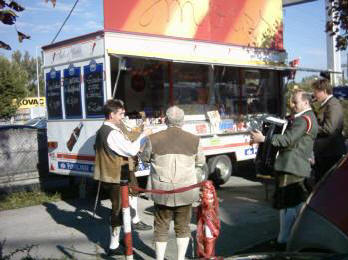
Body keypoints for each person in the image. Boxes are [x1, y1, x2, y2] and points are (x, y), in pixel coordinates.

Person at [251, 90, 318, 248]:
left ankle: (284, 240)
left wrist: (263, 138)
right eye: (292, 102)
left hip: (291, 166)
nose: (292, 105)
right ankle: (295, 236)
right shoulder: (308, 118)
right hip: (296, 166)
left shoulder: (303, 119)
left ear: (306, 102)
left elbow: (287, 140)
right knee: (297, 203)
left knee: (287, 205)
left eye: (295, 102)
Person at [140, 106, 205, 260]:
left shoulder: (153, 139)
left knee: (161, 226)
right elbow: (200, 162)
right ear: (182, 121)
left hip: (162, 190)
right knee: (183, 227)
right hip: (186, 189)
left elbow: (144, 158)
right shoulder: (194, 139)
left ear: (165, 120)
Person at [93, 99, 152, 256]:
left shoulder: (105, 129)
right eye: (120, 113)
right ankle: (113, 246)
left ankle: (122, 236)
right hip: (115, 176)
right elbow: (131, 150)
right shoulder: (110, 132)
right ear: (111, 114)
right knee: (117, 210)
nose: (122, 116)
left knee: (120, 208)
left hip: (113, 174)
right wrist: (143, 135)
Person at [312, 78, 346, 183]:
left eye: (316, 92)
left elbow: (329, 128)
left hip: (330, 152)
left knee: (325, 182)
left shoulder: (333, 105)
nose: (314, 95)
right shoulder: (327, 104)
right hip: (325, 152)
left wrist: (311, 128)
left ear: (324, 91)